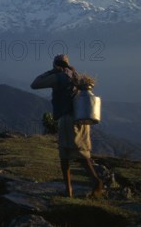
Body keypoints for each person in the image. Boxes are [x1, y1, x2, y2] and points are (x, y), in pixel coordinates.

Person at [31, 54, 103, 198]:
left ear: (55, 64)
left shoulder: (58, 77)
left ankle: (78, 187)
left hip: (67, 119)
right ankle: (90, 183)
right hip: (81, 118)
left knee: (65, 154)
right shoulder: (75, 75)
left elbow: (35, 84)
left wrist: (52, 71)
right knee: (82, 151)